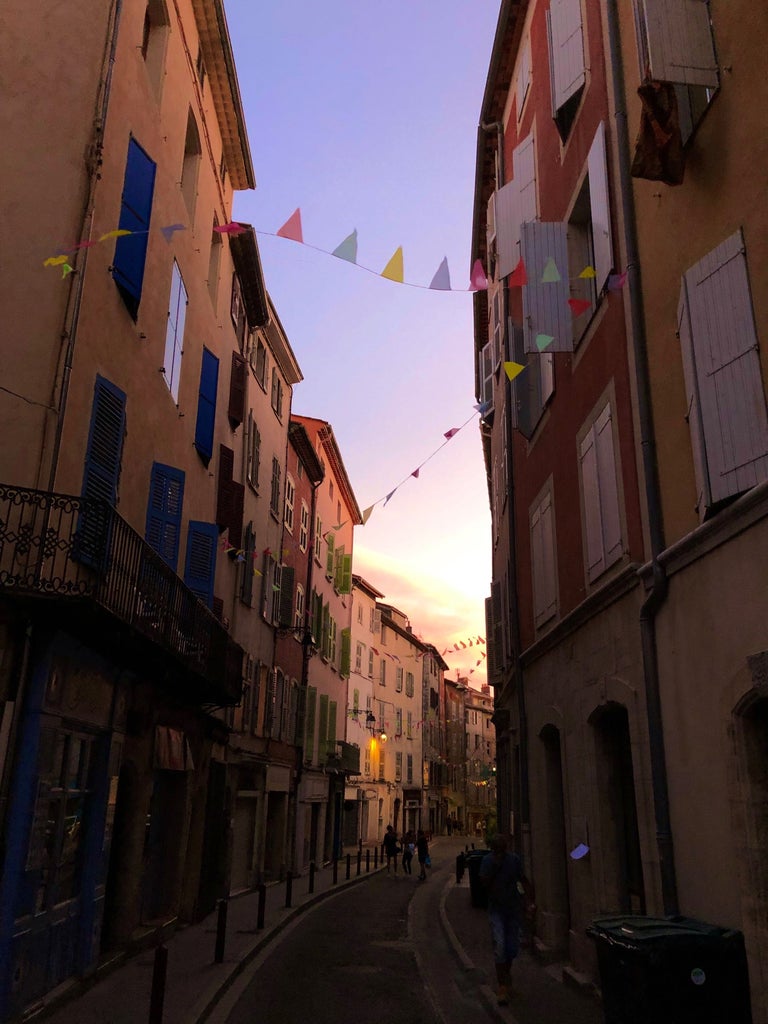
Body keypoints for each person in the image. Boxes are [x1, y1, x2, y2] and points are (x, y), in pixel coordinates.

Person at [479, 834, 534, 1006]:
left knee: (511, 948)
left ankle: (506, 975)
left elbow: (522, 880)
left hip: (513, 910)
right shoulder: (488, 862)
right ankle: (502, 985)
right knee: (500, 946)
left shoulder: (514, 860)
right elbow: (483, 884)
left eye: (503, 847)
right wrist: (495, 867)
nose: (501, 851)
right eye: (498, 848)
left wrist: (529, 902)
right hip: (496, 910)